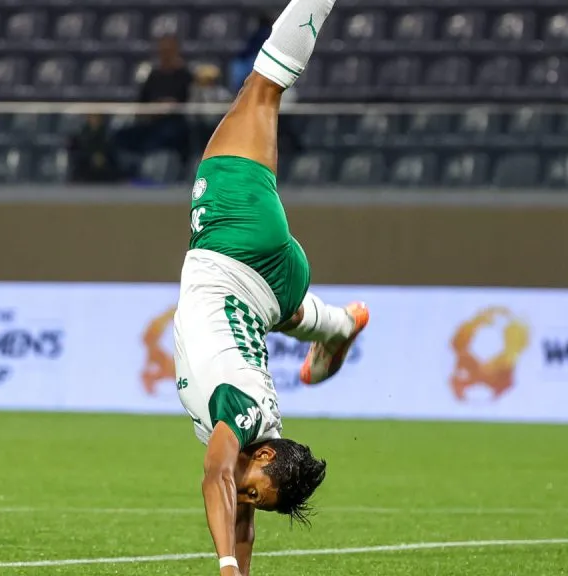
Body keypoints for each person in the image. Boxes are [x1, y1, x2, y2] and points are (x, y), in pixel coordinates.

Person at [172, 1, 366, 575]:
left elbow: (243, 519)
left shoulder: (266, 435)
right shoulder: (240, 412)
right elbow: (216, 479)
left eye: (254, 496)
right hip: (241, 239)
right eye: (254, 487)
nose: (245, 497)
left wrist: (244, 559)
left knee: (282, 316)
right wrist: (226, 568)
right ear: (261, 454)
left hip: (273, 292)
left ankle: (335, 324)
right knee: (264, 86)